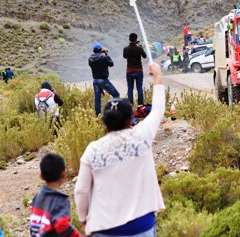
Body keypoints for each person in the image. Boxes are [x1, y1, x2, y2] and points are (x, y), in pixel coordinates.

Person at [75, 63, 165, 237]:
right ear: (130, 119)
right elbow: (158, 110)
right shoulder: (142, 135)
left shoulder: (93, 150)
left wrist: (83, 219)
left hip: (104, 228)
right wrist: (158, 77)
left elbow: (81, 190)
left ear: (104, 121)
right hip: (141, 226)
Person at [29, 153, 80, 237]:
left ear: (41, 176)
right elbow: (62, 225)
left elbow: (33, 225)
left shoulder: (37, 197)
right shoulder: (60, 200)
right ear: (63, 174)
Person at [89, 44, 120, 116]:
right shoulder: (104, 58)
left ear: (94, 51)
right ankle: (114, 112)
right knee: (116, 95)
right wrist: (106, 54)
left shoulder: (90, 59)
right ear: (100, 50)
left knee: (97, 98)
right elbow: (111, 64)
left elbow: (96, 57)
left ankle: (98, 114)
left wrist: (100, 52)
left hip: (95, 81)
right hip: (103, 80)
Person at [123, 33, 147, 106]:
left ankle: (130, 105)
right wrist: (140, 47)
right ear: (136, 39)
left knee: (130, 88)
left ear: (129, 39)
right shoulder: (139, 48)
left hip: (130, 71)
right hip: (139, 70)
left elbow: (125, 56)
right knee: (139, 88)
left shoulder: (126, 49)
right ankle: (140, 105)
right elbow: (144, 56)